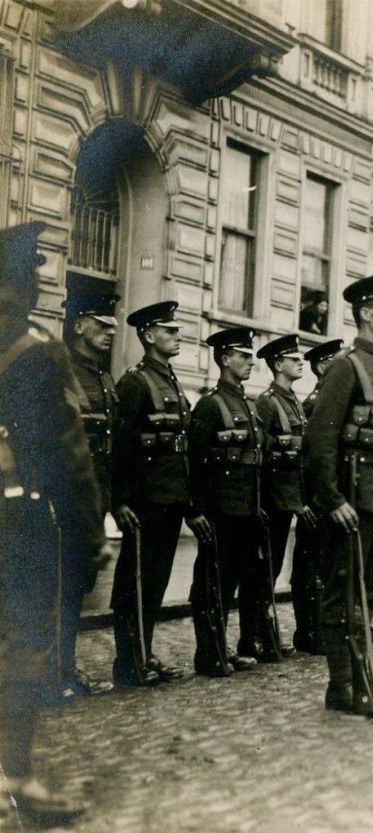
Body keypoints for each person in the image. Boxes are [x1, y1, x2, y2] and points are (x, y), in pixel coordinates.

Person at [0, 221, 108, 825]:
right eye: (36, 270)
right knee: (19, 645)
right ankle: (14, 781)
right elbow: (70, 457)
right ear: (23, 279)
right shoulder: (37, 346)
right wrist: (90, 539)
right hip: (15, 518)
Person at [304, 275, 373, 714]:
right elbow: (319, 441)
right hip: (352, 501)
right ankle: (342, 685)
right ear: (366, 312)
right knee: (341, 591)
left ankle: (362, 678)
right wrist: (331, 499)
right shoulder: (347, 367)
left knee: (364, 594)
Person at [112, 300, 210, 687]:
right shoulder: (135, 382)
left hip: (168, 500)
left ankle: (144, 652)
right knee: (134, 582)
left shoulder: (168, 379)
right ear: (148, 336)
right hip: (144, 502)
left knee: (154, 582)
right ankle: (129, 662)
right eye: (169, 330)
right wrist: (118, 501)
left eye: (176, 330)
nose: (177, 335)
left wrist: (187, 504)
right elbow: (121, 449)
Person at [187, 327, 267, 675]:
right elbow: (194, 461)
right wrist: (196, 510)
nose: (250, 362)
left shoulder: (249, 405)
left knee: (239, 580)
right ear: (224, 359)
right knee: (211, 584)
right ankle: (209, 653)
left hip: (247, 510)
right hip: (220, 511)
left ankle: (224, 648)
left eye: (250, 356)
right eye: (243, 356)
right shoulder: (210, 405)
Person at [58, 282, 120, 698]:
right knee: (57, 584)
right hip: (63, 496)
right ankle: (54, 672)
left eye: (112, 325)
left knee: (77, 584)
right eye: (102, 324)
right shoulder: (61, 368)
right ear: (80, 325)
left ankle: (63, 666)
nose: (110, 331)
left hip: (93, 497)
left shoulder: (103, 376)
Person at [254, 334, 310, 661]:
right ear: (278, 364)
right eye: (294, 358)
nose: (300, 361)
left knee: (272, 568)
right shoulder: (267, 402)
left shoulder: (292, 401)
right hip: (272, 501)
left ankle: (267, 634)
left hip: (289, 498)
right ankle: (263, 636)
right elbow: (261, 457)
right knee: (266, 568)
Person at [291, 338, 342, 654]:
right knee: (309, 566)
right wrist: (304, 500)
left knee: (325, 565)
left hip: (328, 495)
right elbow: (305, 459)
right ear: (323, 366)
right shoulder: (314, 403)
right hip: (314, 498)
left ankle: (321, 627)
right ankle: (308, 630)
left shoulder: (332, 399)